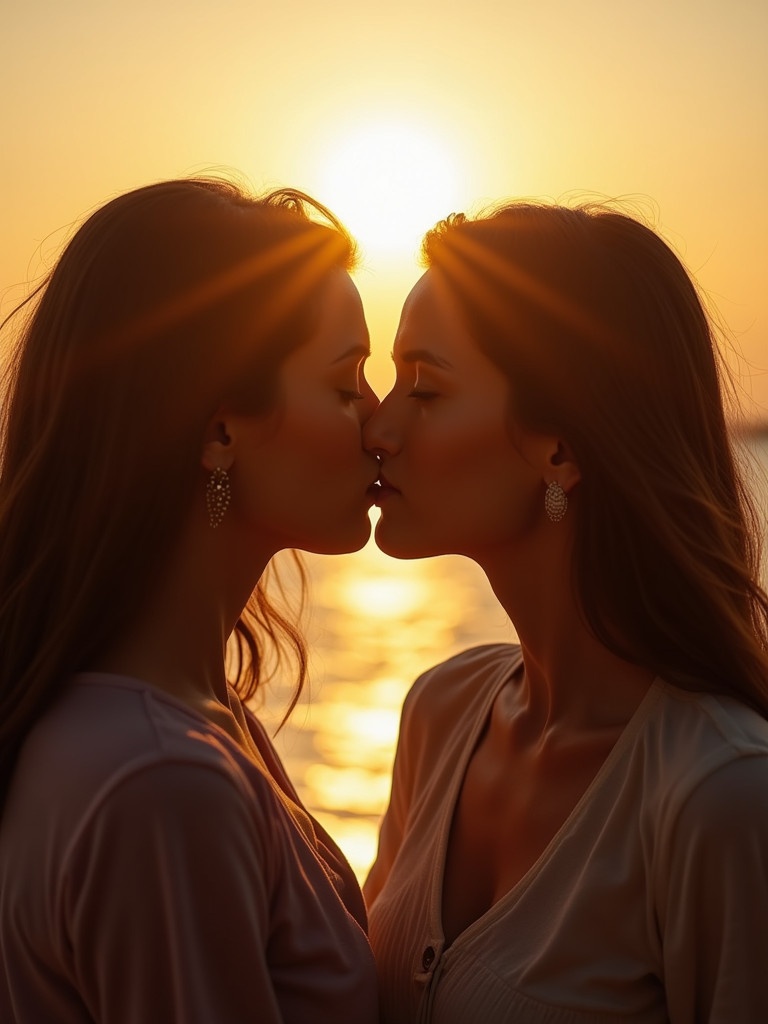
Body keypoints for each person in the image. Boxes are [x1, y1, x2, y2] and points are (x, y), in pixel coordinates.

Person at [362, 202, 768, 1022]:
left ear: (561, 449)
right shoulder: (440, 714)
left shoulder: (724, 795)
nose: (379, 425)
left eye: (426, 389)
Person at [0, 177, 381, 1023]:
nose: (379, 421)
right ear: (219, 432)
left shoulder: (191, 721)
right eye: (347, 382)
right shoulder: (163, 782)